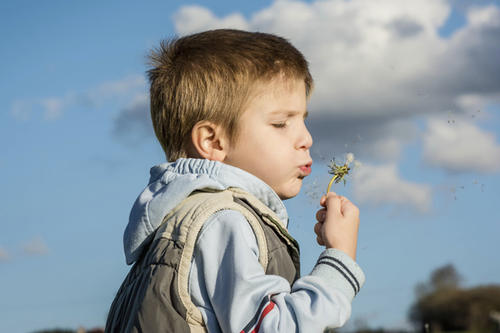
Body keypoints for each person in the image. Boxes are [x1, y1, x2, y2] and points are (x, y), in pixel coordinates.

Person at [105, 29, 365, 333]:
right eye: (281, 123)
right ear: (213, 141)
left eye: (303, 120)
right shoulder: (222, 221)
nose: (306, 138)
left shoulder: (178, 223)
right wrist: (339, 258)